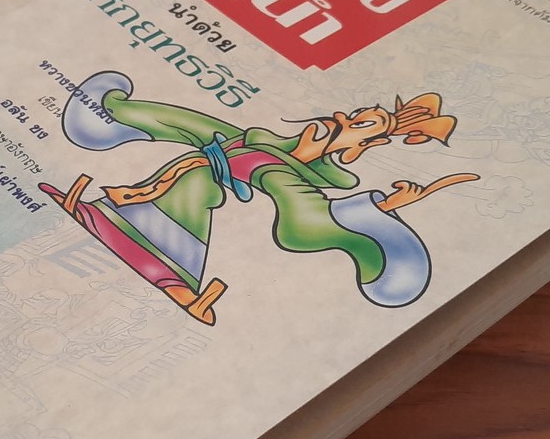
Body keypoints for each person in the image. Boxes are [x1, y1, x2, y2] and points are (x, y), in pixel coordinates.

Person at [40, 71, 478, 325]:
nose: (345, 117)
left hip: (246, 173)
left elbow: (306, 213)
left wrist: (379, 207)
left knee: (200, 183)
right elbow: (207, 133)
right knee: (192, 142)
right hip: (232, 156)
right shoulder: (272, 139)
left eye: (361, 125)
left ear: (357, 149)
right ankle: (111, 119)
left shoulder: (297, 174)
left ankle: (165, 264)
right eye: (357, 114)